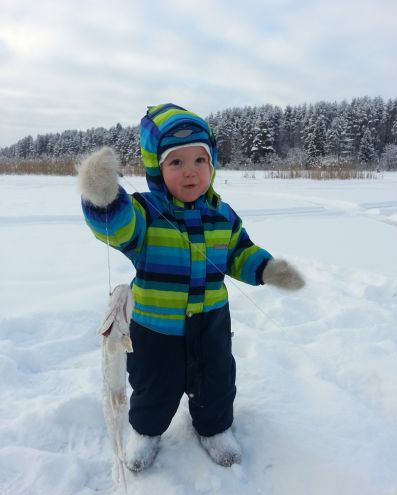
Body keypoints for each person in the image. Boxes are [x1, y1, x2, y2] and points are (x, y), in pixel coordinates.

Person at [78, 103, 305, 472]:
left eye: (200, 161)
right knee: (153, 386)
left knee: (216, 381)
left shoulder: (223, 214)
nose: (190, 173)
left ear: (212, 165)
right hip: (156, 328)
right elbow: (119, 226)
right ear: (157, 169)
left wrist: (267, 269)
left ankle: (214, 428)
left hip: (211, 323)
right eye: (176, 163)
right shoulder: (146, 214)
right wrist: (102, 196)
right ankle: (146, 432)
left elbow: (238, 252)